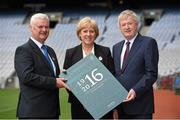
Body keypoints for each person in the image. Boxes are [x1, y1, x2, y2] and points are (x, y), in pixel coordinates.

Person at [14, 13, 69, 119]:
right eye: (40, 26)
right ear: (31, 28)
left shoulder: (50, 51)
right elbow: (26, 77)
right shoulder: (24, 50)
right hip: (33, 113)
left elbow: (54, 75)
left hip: (52, 112)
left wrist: (68, 75)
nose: (44, 30)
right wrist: (54, 82)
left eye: (46, 27)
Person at [63, 17, 115, 119]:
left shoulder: (105, 52)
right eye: (85, 31)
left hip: (103, 106)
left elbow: (112, 79)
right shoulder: (70, 53)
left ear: (95, 34)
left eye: (92, 31)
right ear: (79, 34)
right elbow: (66, 81)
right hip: (79, 107)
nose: (88, 34)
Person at [113, 10, 159, 119]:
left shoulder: (148, 43)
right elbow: (115, 75)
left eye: (130, 23)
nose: (127, 27)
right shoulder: (116, 47)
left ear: (137, 25)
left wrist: (135, 90)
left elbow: (151, 73)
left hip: (140, 107)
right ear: (120, 28)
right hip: (121, 107)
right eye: (123, 24)